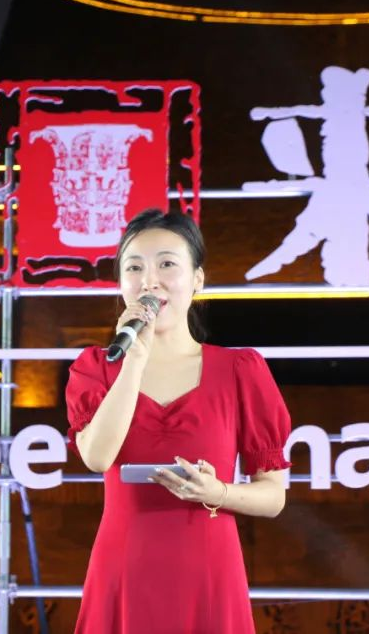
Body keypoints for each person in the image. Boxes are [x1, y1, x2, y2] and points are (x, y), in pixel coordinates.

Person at [66, 208, 292, 633]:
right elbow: (97, 457)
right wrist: (134, 360)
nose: (149, 281)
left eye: (167, 264)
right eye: (134, 268)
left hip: (209, 571)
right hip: (124, 568)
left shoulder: (239, 370)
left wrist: (218, 492)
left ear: (197, 279)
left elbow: (273, 496)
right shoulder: (96, 367)